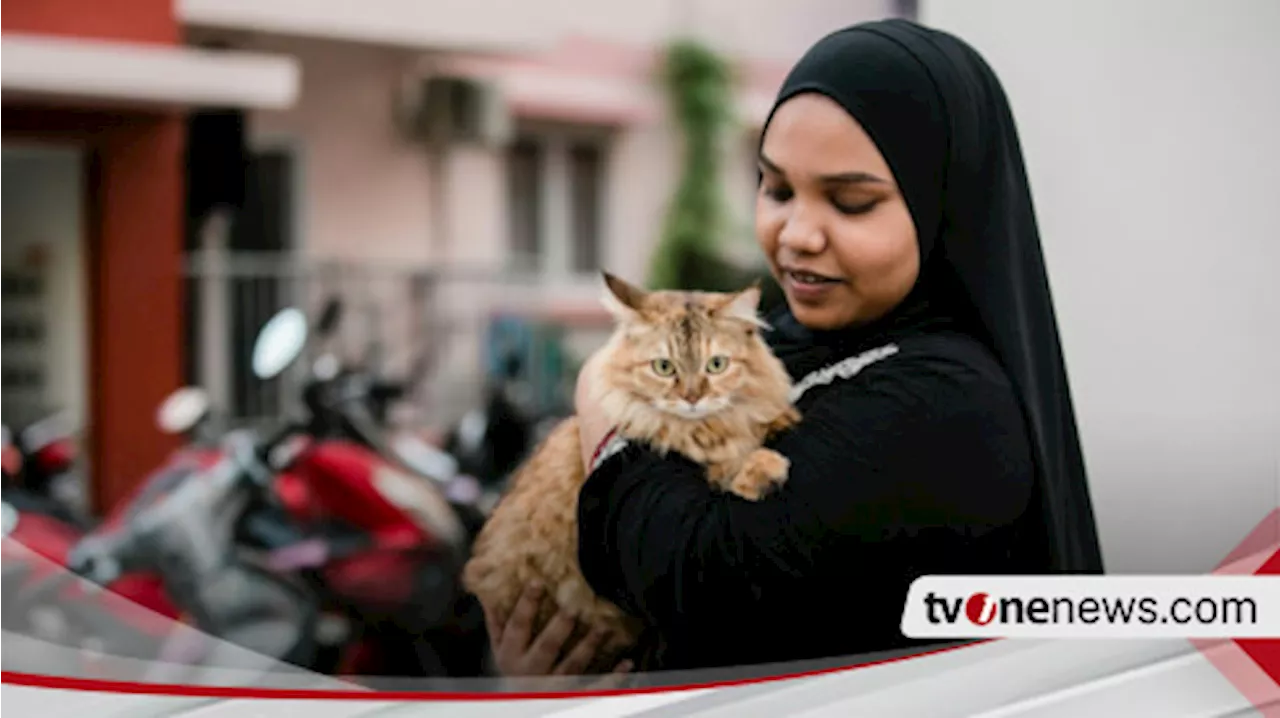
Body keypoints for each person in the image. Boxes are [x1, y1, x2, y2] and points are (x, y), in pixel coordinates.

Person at [481, 17, 1106, 676]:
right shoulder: (781, 340)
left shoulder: (952, 401)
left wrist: (606, 400)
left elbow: (701, 569)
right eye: (777, 189)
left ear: (941, 207)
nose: (796, 233)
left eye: (851, 202)